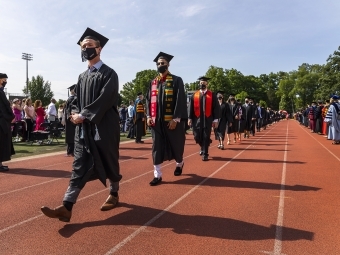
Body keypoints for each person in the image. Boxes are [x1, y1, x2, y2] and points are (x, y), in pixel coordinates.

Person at [41, 27, 122, 222]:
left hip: (104, 127)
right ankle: (67, 206)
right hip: (83, 129)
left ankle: (114, 193)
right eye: (83, 47)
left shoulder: (109, 73)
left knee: (109, 160)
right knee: (79, 164)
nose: (86, 49)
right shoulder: (82, 76)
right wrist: (73, 113)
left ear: (99, 49)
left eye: (90, 46)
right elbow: (75, 101)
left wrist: (84, 115)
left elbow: (106, 98)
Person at [145, 52, 187, 186]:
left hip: (171, 121)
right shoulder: (153, 82)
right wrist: (148, 116)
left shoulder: (176, 80)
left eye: (163, 63)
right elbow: (147, 101)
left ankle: (179, 163)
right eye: (158, 64)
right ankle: (157, 175)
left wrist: (176, 119)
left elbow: (180, 100)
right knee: (156, 147)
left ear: (168, 64)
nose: (160, 65)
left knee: (176, 145)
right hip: (156, 122)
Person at [188, 76, 220, 161]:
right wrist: (189, 118)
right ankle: (203, 146)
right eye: (201, 83)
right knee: (196, 136)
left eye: (204, 83)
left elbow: (216, 108)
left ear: (207, 84)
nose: (202, 84)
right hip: (197, 119)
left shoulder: (212, 95)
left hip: (207, 119)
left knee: (206, 136)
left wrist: (216, 119)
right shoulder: (195, 95)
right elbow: (190, 107)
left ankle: (205, 154)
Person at [0, 73, 15, 171]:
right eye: (4, 79)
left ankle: (0, 164)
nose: (5, 81)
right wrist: (11, 116)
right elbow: (3, 107)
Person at [62, 84, 77, 157]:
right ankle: (73, 151)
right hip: (75, 119)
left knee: (70, 136)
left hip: (70, 120)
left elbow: (67, 110)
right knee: (74, 135)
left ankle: (70, 151)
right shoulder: (77, 98)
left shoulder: (71, 99)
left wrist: (67, 118)